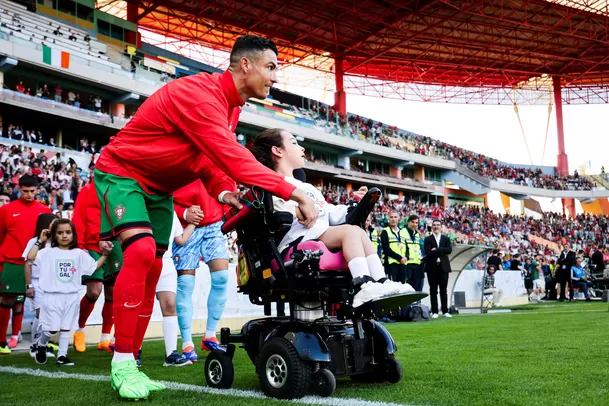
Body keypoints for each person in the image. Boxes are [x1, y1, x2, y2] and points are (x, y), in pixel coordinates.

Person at [92, 35, 318, 400]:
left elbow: (208, 160)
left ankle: (130, 360)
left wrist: (224, 193)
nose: (275, 78)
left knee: (151, 265)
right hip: (123, 174)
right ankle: (120, 362)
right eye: (271, 67)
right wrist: (293, 191)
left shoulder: (231, 107)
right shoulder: (201, 94)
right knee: (139, 252)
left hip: (159, 190)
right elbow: (230, 155)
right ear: (245, 65)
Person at [250, 128, 411, 308]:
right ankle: (363, 286)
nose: (302, 149)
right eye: (295, 143)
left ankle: (380, 282)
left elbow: (330, 212)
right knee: (350, 232)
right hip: (297, 239)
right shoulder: (272, 183)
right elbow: (275, 208)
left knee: (357, 231)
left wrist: (355, 204)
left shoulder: (306, 187)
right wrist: (297, 210)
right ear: (277, 151)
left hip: (319, 233)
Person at [27, 219, 109, 366]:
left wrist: (105, 255)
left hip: (71, 296)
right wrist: (40, 241)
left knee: (66, 327)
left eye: (68, 232)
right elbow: (30, 257)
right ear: (54, 235)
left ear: (73, 235)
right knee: (51, 328)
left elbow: (94, 267)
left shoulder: (79, 254)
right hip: (52, 296)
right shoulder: (47, 252)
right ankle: (41, 343)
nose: (64, 236)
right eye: (60, 233)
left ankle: (62, 356)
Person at [172, 181, 231, 360]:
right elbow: (160, 192)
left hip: (214, 224)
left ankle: (210, 335)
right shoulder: (174, 158)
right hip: (185, 225)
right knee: (185, 283)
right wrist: (182, 212)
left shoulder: (216, 157)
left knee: (221, 278)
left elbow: (226, 186)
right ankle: (187, 343)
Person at [0, 175, 52, 354]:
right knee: (7, 299)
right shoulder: (7, 210)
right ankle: (1, 341)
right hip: (12, 262)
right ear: (19, 189)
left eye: (32, 191)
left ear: (37, 189)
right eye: (25, 191)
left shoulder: (45, 210)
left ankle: (34, 340)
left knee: (37, 304)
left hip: (37, 264)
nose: (29, 194)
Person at [72, 181, 123, 352]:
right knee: (94, 291)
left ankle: (105, 338)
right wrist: (78, 247)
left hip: (115, 244)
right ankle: (79, 331)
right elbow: (78, 217)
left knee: (113, 292)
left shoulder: (119, 187)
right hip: (92, 245)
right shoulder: (87, 190)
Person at [154, 211, 195, 367]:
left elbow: (181, 239)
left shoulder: (171, 212)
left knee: (170, 305)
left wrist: (194, 222)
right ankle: (134, 352)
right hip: (145, 261)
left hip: (166, 262)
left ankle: (171, 354)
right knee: (141, 308)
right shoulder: (144, 206)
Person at [23, 213, 57, 359]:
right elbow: (27, 264)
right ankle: (35, 345)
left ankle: (42, 344)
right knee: (40, 314)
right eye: (53, 223)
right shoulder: (34, 242)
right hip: (37, 283)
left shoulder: (57, 243)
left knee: (50, 316)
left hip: (53, 285)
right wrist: (29, 285)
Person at [423, 219, 453, 318]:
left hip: (443, 267)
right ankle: (435, 311)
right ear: (432, 227)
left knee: (443, 290)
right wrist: (441, 251)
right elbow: (428, 252)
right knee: (433, 290)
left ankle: (445, 311)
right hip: (432, 268)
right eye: (434, 225)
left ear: (441, 227)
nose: (436, 227)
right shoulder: (428, 239)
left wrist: (437, 249)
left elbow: (449, 250)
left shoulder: (446, 239)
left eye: (438, 225)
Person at [380, 211, 408, 283]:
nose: (393, 219)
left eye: (395, 217)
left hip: (402, 264)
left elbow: (407, 247)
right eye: (391, 217)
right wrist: (400, 258)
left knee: (402, 287)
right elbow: (386, 249)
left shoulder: (403, 232)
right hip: (391, 264)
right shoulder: (385, 232)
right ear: (388, 219)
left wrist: (406, 257)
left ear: (398, 219)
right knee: (393, 288)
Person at [404, 214, 424, 292]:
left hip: (417, 264)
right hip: (407, 264)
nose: (414, 224)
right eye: (412, 222)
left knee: (416, 287)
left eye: (416, 223)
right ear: (408, 222)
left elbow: (420, 248)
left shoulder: (417, 234)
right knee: (407, 287)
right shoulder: (402, 232)